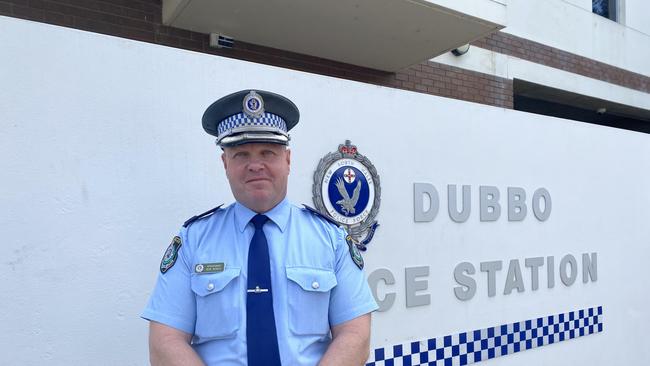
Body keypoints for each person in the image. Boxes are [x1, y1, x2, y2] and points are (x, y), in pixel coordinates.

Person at [141, 89, 378, 366]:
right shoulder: (193, 240)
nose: (255, 165)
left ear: (287, 160)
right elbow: (165, 341)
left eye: (268, 152)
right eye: (241, 154)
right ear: (225, 163)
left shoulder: (332, 239)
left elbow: (355, 334)